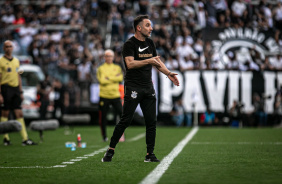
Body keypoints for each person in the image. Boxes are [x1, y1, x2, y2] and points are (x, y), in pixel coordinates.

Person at [101, 15, 179, 162]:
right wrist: (148, 60)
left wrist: (168, 73)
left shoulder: (150, 43)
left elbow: (157, 62)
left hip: (148, 87)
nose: (152, 28)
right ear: (139, 27)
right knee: (126, 120)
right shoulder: (129, 44)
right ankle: (110, 150)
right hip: (133, 87)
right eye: (148, 25)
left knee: (151, 122)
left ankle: (150, 154)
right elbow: (130, 64)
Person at [0, 40, 37, 146]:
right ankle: (6, 138)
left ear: (13, 48)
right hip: (5, 88)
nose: (8, 48)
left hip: (15, 89)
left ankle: (25, 139)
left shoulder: (16, 61)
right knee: (5, 113)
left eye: (10, 46)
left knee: (19, 113)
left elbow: (18, 75)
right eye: (6, 46)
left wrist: (21, 91)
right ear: (4, 48)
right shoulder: (1, 61)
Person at [97, 49, 123, 141]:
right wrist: (113, 78)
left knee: (122, 114)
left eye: (110, 56)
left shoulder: (117, 67)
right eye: (107, 56)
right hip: (104, 95)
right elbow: (102, 81)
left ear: (113, 57)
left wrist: (108, 78)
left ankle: (120, 134)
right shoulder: (101, 68)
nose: (109, 58)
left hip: (115, 94)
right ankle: (104, 136)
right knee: (103, 117)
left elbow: (120, 78)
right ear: (104, 57)